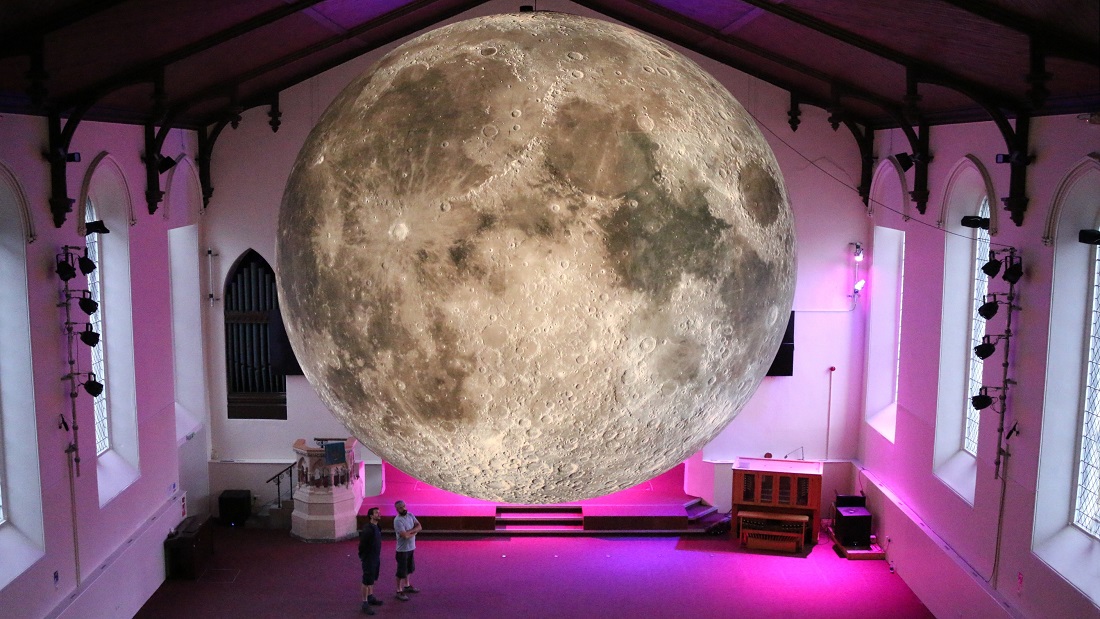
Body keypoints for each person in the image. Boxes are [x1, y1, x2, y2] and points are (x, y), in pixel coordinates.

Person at [393, 499, 422, 601]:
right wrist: (414, 532)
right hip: (402, 551)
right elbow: (404, 536)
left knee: (409, 568)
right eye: (400, 508)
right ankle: (398, 590)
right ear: (397, 509)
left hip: (411, 548)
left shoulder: (410, 515)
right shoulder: (397, 521)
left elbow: (419, 526)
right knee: (401, 571)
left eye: (404, 506)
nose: (403, 508)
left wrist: (411, 532)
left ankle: (407, 585)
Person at [358, 507, 384, 615]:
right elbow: (362, 545)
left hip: (375, 557)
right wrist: (364, 557)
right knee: (366, 580)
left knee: (372, 578)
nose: (379, 514)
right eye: (376, 513)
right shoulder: (368, 529)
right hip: (369, 558)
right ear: (371, 516)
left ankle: (370, 597)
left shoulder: (377, 527)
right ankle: (365, 603)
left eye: (379, 512)